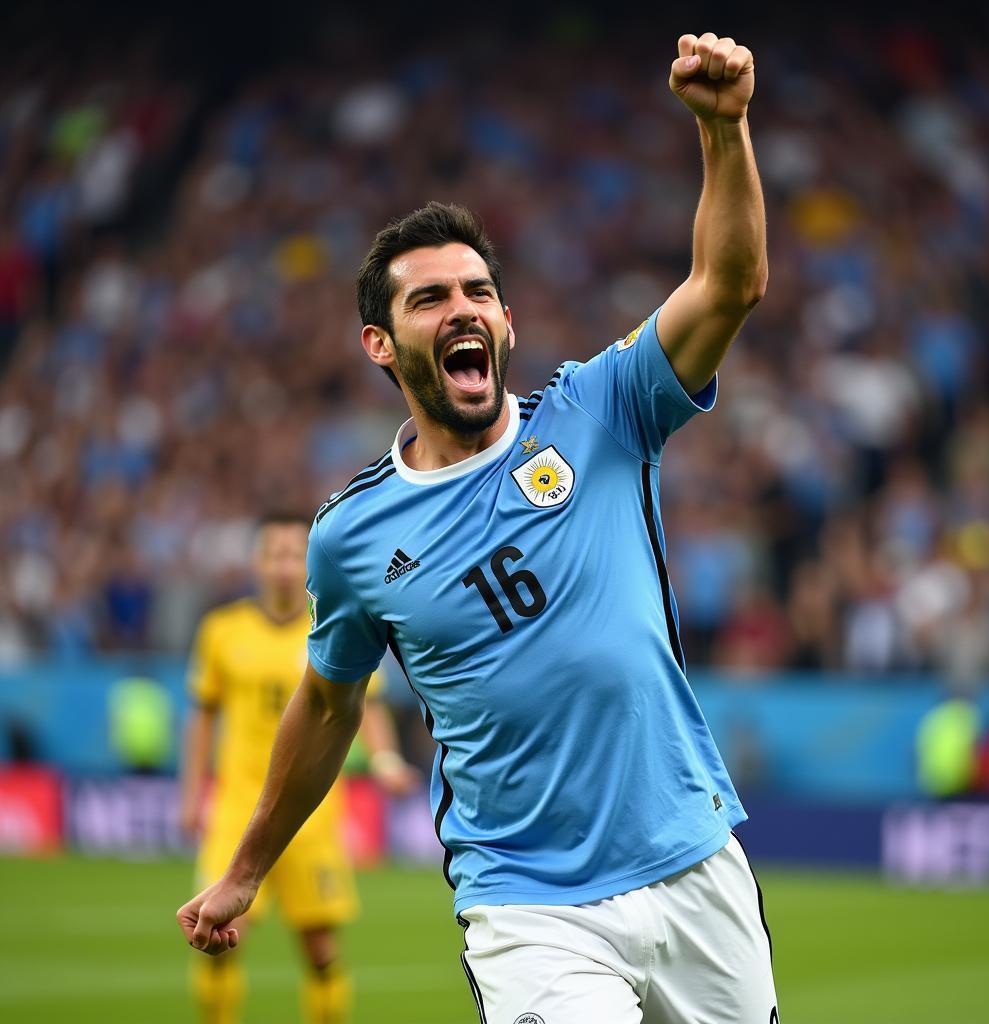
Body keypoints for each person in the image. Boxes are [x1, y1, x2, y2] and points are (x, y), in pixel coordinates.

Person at [178, 32, 777, 1022]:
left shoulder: (601, 408)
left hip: (691, 856)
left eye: (478, 292)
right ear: (380, 342)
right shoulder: (353, 535)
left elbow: (729, 285)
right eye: (429, 299)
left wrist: (723, 130)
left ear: (505, 325)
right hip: (529, 902)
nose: (461, 308)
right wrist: (246, 867)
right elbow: (327, 707)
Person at [179, 510, 417, 1024]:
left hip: (311, 816)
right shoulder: (222, 631)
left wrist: (385, 759)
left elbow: (366, 703)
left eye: (294, 554)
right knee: (213, 938)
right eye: (275, 554)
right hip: (236, 810)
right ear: (257, 562)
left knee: (321, 951)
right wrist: (190, 795)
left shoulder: (331, 625)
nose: (285, 566)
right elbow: (201, 717)